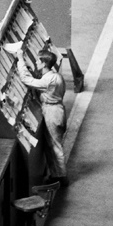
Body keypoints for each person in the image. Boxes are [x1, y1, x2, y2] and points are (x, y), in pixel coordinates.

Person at [18, 49, 69, 186]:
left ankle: (61, 178)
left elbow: (26, 79)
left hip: (52, 113)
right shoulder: (55, 76)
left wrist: (20, 59)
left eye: (38, 60)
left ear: (44, 63)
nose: (36, 62)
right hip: (57, 110)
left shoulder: (48, 80)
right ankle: (56, 174)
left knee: (55, 146)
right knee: (52, 145)